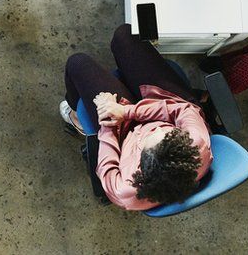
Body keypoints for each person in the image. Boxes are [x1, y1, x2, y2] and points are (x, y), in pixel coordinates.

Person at [59, 24, 212, 211]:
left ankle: (76, 117)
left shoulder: (123, 191)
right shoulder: (196, 143)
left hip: (121, 132)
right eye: (167, 131)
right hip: (161, 103)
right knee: (125, 35)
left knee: (77, 63)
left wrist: (108, 117)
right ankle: (129, 83)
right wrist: (127, 111)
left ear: (141, 164)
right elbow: (182, 109)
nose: (152, 129)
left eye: (147, 138)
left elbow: (106, 165)